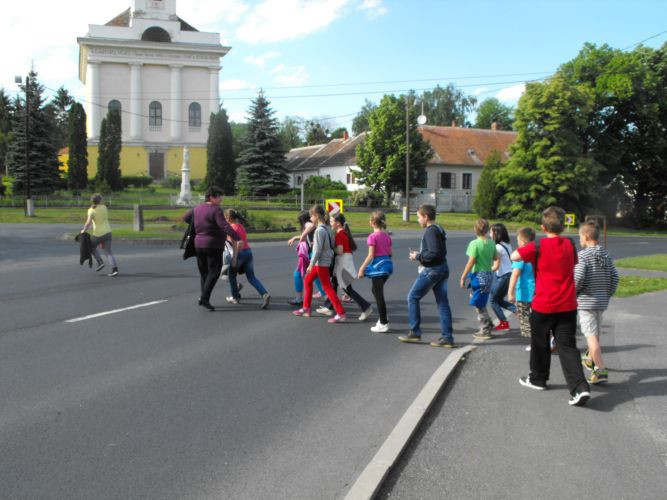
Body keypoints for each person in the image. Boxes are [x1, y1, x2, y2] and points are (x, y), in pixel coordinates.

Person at [511, 206, 591, 407]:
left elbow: (514, 257)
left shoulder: (537, 246)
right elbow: (572, 263)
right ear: (563, 226)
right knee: (567, 347)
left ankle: (538, 379)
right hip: (567, 304)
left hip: (544, 304)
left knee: (540, 342)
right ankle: (580, 387)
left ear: (543, 226)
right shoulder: (570, 244)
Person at [399, 204, 455, 348]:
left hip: (433, 270)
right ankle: (447, 337)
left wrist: (418, 256)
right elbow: (440, 252)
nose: (418, 220)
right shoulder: (439, 229)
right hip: (443, 268)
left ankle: (415, 332)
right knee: (443, 303)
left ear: (426, 217)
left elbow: (434, 253)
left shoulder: (430, 231)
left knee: (412, 297)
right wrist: (421, 255)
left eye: (419, 217)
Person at [183, 186, 240, 311]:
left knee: (204, 273)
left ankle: (205, 298)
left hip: (198, 244)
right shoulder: (216, 209)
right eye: (219, 196)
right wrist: (236, 236)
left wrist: (199, 222)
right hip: (214, 245)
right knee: (214, 272)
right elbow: (223, 225)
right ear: (212, 197)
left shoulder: (197, 208)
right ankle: (204, 298)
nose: (220, 199)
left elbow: (185, 218)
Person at [575, 221, 619, 384]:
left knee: (591, 338)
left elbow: (578, 277)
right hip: (601, 302)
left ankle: (600, 370)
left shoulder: (583, 256)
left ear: (585, 237)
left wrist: (573, 292)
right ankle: (589, 358)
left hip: (586, 303)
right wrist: (608, 293)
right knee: (595, 335)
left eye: (580, 236)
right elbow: (615, 277)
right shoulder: (606, 255)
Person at [292, 205, 347, 323]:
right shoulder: (327, 228)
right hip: (325, 260)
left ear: (316, 216)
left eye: (311, 215)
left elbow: (317, 250)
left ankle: (341, 313)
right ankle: (306, 308)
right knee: (307, 280)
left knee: (327, 287)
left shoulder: (319, 230)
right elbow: (331, 244)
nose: (310, 217)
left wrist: (311, 264)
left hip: (320, 262)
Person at [317, 213, 373, 321]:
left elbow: (340, 251)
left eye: (332, 221)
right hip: (344, 263)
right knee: (334, 283)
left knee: (347, 289)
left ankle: (365, 307)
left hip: (343, 264)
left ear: (338, 223)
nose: (330, 223)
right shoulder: (343, 233)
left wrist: (331, 247)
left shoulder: (339, 235)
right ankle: (329, 306)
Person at [459, 219, 498, 340]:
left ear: (475, 229)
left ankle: (485, 329)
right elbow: (495, 258)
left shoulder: (474, 244)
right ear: (487, 230)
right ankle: (489, 323)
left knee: (478, 303)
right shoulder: (491, 243)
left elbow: (471, 262)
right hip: (487, 274)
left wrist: (463, 276)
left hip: (478, 275)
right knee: (479, 301)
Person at [224, 209, 271, 309]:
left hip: (239, 253)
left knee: (231, 275)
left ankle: (235, 297)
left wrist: (234, 259)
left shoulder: (230, 229)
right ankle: (264, 294)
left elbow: (234, 245)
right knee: (251, 277)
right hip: (248, 252)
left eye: (225, 217)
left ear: (228, 218)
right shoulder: (241, 226)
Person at [358, 210, 393, 333]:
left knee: (379, 295)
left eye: (369, 220)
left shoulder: (372, 237)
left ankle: (384, 322)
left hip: (379, 268)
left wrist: (362, 269)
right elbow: (390, 253)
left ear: (373, 222)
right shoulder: (387, 236)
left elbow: (371, 255)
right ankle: (384, 317)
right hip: (388, 266)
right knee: (375, 290)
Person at [287, 211, 325, 306]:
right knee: (315, 278)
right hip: (310, 254)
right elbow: (308, 234)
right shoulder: (312, 227)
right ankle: (328, 299)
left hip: (312, 255)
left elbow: (310, 226)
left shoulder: (308, 224)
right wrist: (297, 237)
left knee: (301, 275)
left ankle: (301, 300)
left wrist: (302, 235)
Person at [508, 227, 536, 351]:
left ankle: (534, 344)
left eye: (518, 240)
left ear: (523, 242)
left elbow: (515, 275)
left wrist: (510, 293)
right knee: (536, 319)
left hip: (524, 293)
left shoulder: (521, 256)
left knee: (525, 319)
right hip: (536, 292)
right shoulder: (536, 252)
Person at [80, 193, 119, 277]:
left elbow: (88, 222)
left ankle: (100, 262)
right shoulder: (104, 207)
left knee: (91, 247)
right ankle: (114, 269)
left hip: (98, 234)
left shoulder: (91, 210)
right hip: (108, 233)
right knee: (108, 252)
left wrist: (83, 230)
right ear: (100, 200)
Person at [490, 223, 517, 331]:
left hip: (503, 276)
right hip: (508, 275)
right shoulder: (506, 244)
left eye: (491, 232)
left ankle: (504, 323)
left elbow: (496, 266)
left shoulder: (497, 247)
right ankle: (516, 310)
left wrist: (484, 270)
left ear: (496, 233)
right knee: (498, 299)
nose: (490, 234)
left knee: (492, 300)